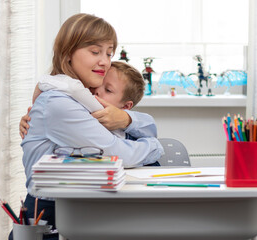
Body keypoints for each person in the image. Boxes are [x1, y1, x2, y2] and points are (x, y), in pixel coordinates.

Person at [9, 13, 164, 240]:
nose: (104, 61)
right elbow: (116, 152)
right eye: (95, 51)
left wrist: (126, 119)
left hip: (86, 212)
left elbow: (147, 126)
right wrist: (154, 146)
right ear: (68, 52)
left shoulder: (84, 98)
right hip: (52, 215)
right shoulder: (58, 103)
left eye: (109, 53)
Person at [20, 61, 154, 140]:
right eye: (98, 83)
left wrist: (126, 120)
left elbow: (149, 127)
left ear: (126, 106)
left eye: (108, 90)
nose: (97, 90)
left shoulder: (124, 133)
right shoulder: (75, 104)